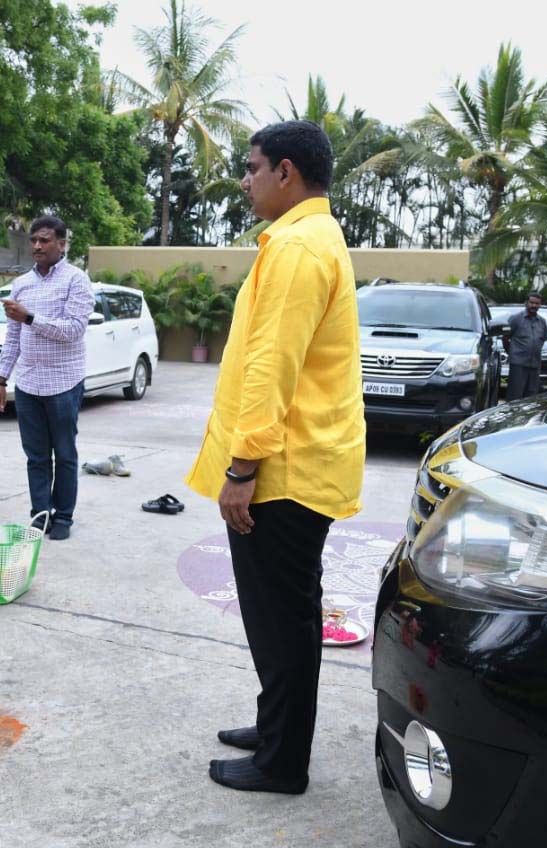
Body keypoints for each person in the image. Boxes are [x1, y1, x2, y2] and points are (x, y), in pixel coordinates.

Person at [185, 121, 365, 794]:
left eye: (252, 167)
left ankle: (283, 761)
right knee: (280, 616)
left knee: (282, 619)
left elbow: (272, 366)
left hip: (283, 472)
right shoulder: (313, 237)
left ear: (286, 172)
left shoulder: (296, 246)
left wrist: (243, 468)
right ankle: (276, 728)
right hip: (297, 463)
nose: (245, 178)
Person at [0, 215, 94, 541]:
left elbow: (74, 330)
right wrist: (2, 378)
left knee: (64, 454)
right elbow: (12, 336)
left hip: (64, 383)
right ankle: (40, 514)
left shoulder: (77, 281)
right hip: (28, 384)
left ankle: (63, 517)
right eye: (34, 240)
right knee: (36, 457)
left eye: (45, 240)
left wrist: (30, 317)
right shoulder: (22, 284)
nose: (37, 245)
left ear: (62, 244)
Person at [505, 293, 547, 401]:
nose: (534, 305)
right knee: (515, 394)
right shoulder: (515, 319)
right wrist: (512, 353)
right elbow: (505, 337)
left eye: (537, 303)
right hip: (518, 364)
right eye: (532, 302)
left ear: (540, 305)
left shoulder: (542, 322)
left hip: (535, 364)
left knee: (532, 395)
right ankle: (513, 416)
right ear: (526, 303)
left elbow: (543, 339)